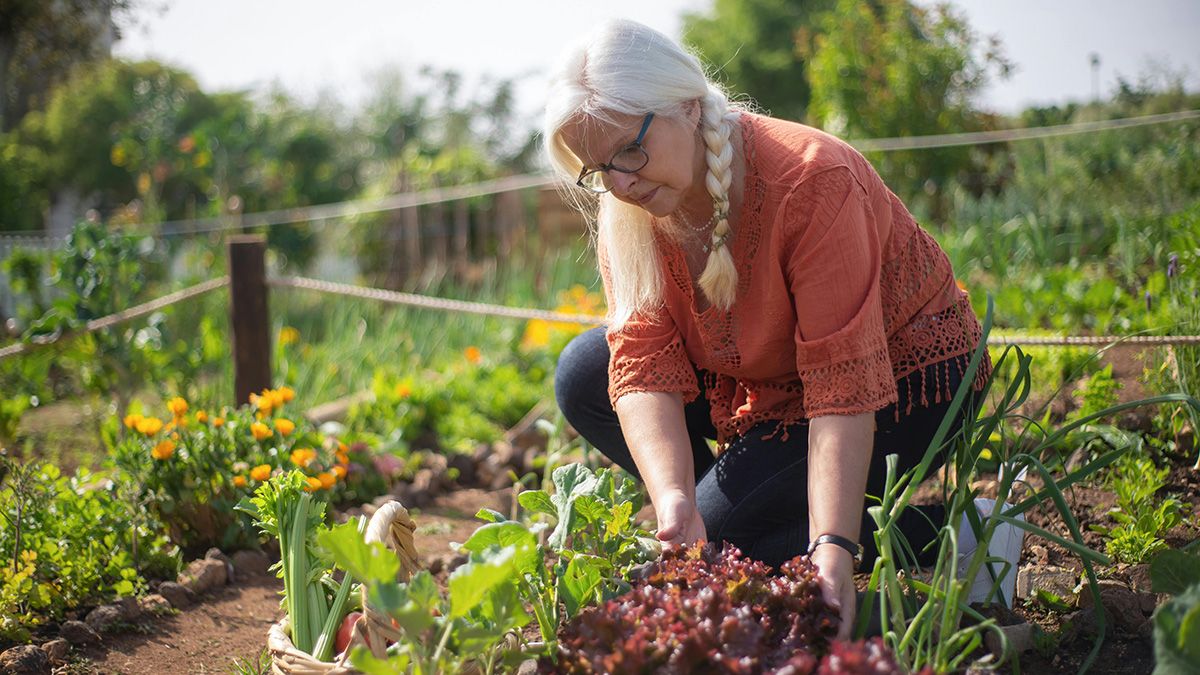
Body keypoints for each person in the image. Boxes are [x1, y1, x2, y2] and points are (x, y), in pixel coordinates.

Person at [544, 19, 1021, 637]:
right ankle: (744, 507)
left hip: (904, 380)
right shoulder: (629, 207)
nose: (621, 183)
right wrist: (675, 500)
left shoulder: (811, 180)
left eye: (629, 152)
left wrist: (832, 550)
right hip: (769, 383)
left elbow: (841, 390)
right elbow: (642, 359)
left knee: (727, 545)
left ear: (687, 106)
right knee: (586, 372)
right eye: (598, 169)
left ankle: (963, 533)